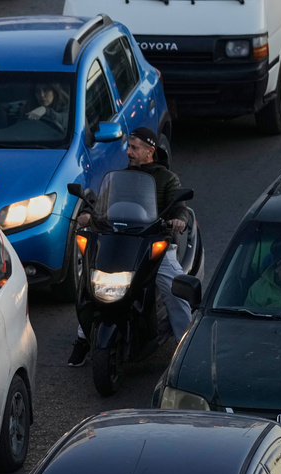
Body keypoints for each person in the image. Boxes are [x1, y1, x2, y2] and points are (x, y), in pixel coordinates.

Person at [67, 126, 192, 366]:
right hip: (119, 241)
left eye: (134, 148)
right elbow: (101, 204)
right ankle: (83, 338)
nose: (128, 152)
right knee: (90, 285)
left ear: (149, 151)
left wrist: (179, 219)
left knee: (175, 288)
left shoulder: (167, 178)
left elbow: (179, 206)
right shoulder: (121, 177)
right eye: (129, 147)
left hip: (153, 244)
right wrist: (89, 214)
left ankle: (186, 350)